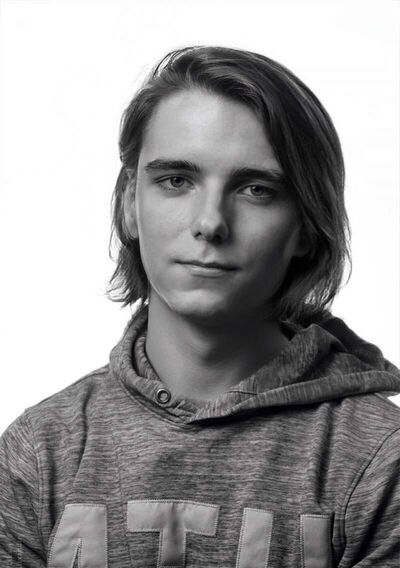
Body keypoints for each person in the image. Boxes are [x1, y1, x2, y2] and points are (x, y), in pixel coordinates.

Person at [0, 46, 399, 568]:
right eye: (176, 181)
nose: (210, 222)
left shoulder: (379, 460)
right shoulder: (40, 452)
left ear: (306, 224)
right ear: (130, 202)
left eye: (256, 189)